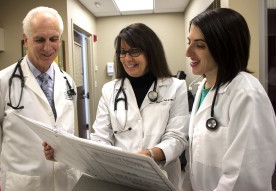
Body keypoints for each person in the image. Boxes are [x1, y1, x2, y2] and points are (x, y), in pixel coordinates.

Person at [0, 6, 78, 191]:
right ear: (26, 40)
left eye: (54, 39)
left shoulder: (68, 82)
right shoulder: (1, 82)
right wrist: (12, 171)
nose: (48, 47)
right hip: (24, 183)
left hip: (65, 179)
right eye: (39, 39)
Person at [185, 8, 276, 190]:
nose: (188, 52)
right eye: (189, 42)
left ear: (224, 47)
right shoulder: (204, 86)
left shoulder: (247, 94)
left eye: (200, 45)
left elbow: (245, 176)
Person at [90, 23, 189, 188]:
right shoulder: (109, 90)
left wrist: (150, 154)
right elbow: (101, 137)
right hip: (120, 177)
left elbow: (177, 138)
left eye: (135, 51)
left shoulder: (175, 87)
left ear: (151, 52)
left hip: (161, 175)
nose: (127, 59)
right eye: (123, 52)